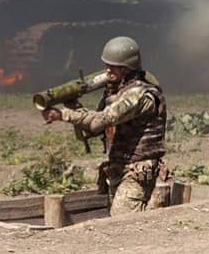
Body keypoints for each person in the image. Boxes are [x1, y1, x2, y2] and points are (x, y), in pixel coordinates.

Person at [42, 36, 168, 215]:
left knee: (122, 222)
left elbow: (98, 122)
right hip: (119, 168)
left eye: (113, 66)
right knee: (118, 222)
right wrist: (73, 106)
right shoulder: (117, 91)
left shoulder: (138, 95)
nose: (107, 71)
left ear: (126, 69)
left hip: (137, 171)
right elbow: (91, 131)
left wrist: (62, 114)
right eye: (106, 65)